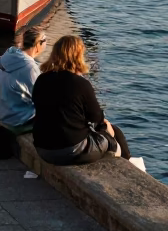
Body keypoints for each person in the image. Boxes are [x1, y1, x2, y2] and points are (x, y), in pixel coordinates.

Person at [32, 35, 131, 164]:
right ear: (78, 56)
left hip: (43, 149)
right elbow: (96, 117)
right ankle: (127, 163)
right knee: (112, 134)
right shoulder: (81, 84)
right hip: (71, 150)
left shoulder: (42, 79)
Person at [0, 26, 47, 133]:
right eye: (45, 41)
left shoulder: (10, 55)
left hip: (3, 114)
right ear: (38, 44)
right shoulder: (30, 67)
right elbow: (41, 98)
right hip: (17, 122)